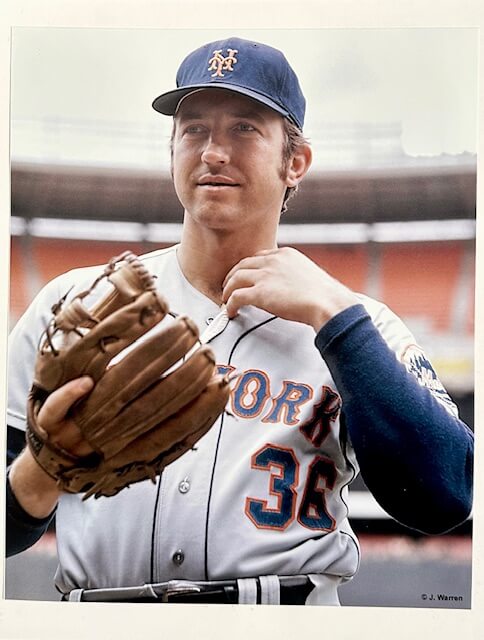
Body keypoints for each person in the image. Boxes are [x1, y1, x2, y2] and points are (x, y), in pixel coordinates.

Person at [6, 37, 473, 606]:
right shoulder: (74, 305)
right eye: (194, 129)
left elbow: (446, 496)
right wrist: (42, 470)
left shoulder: (360, 325)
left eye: (244, 128)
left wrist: (337, 320)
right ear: (172, 149)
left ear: (295, 162)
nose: (213, 152)